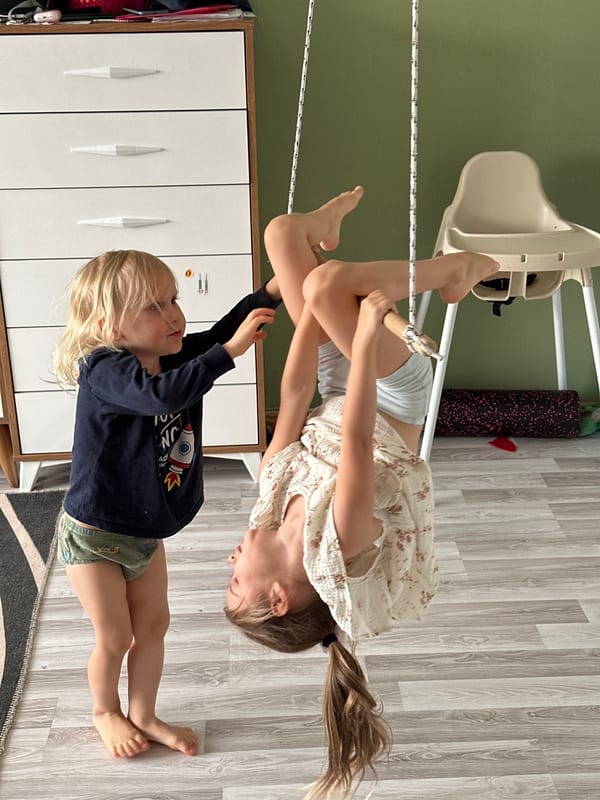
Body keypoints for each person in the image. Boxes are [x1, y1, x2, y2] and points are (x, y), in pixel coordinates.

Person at [224, 186, 500, 799]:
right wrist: (362, 327)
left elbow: (294, 402)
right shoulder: (337, 550)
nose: (230, 561)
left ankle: (320, 231)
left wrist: (308, 331)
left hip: (335, 385)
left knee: (281, 237)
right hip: (391, 397)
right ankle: (455, 273)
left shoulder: (269, 501)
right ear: (277, 598)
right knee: (327, 286)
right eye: (235, 580)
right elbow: (354, 444)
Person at [52, 249, 280, 759]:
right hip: (95, 531)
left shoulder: (165, 354)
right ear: (109, 324)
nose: (174, 315)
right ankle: (104, 712)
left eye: (172, 299)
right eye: (154, 307)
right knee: (114, 637)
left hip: (143, 528)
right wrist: (228, 356)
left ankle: (145, 713)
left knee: (153, 627)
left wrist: (268, 296)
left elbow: (217, 335)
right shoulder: (104, 369)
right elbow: (160, 396)